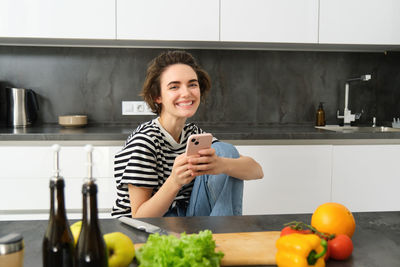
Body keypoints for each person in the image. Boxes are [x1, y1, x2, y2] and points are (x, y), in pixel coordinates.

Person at [111, 51, 263, 218]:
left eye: (192, 84)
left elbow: (256, 171)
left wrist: (221, 164)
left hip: (186, 219)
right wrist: (174, 182)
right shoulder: (145, 142)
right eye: (174, 86)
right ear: (157, 96)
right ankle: (225, 235)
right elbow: (140, 216)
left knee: (225, 151)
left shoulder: (194, 134)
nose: (186, 93)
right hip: (144, 227)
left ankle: (223, 234)